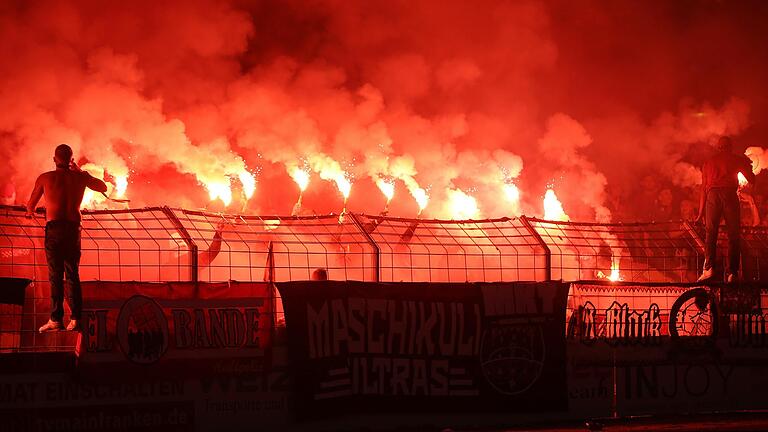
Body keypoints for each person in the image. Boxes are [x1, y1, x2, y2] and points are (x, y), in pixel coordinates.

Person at [25, 144, 107, 332]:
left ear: (54, 159)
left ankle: (56, 319)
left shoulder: (45, 178)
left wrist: (32, 211)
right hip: (73, 229)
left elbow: (30, 206)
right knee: (72, 275)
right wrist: (81, 172)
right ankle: (76, 318)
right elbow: (102, 187)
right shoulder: (80, 177)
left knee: (55, 275)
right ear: (71, 160)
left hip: (54, 229)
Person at [695, 136, 755, 283]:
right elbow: (752, 180)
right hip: (729, 195)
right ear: (731, 147)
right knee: (733, 234)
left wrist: (700, 212)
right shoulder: (737, 160)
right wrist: (749, 167)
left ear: (718, 147)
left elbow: (703, 188)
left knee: (711, 232)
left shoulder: (708, 163)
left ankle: (708, 268)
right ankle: (732, 273)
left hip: (712, 196)